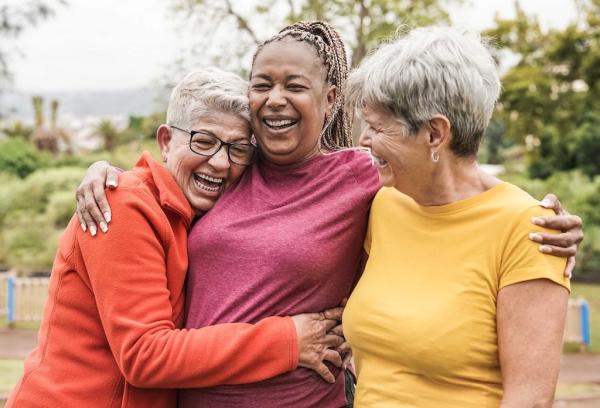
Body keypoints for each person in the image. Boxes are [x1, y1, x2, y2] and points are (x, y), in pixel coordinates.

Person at [75, 22, 583, 408]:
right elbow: (170, 174)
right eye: (262, 84)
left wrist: (549, 221)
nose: (275, 100)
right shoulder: (231, 166)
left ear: (330, 98)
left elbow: (456, 192)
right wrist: (105, 173)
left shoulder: (367, 180)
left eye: (295, 86)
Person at [6, 68, 347, 408]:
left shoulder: (200, 216)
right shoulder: (123, 205)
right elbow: (145, 355)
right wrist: (287, 340)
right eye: (203, 142)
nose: (219, 162)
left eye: (238, 149)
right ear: (166, 141)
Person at [343, 26, 578, 407]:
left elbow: (529, 399)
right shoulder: (384, 202)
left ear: (435, 133)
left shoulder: (530, 230)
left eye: (377, 127)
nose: (363, 141)